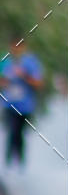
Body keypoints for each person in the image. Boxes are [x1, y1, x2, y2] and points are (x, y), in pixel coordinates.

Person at [1, 38, 43, 167]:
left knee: (19, 133)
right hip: (9, 104)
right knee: (12, 131)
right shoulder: (5, 61)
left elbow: (38, 84)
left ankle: (20, 162)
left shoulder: (30, 62)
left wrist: (23, 76)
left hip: (26, 106)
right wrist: (6, 81)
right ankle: (8, 163)